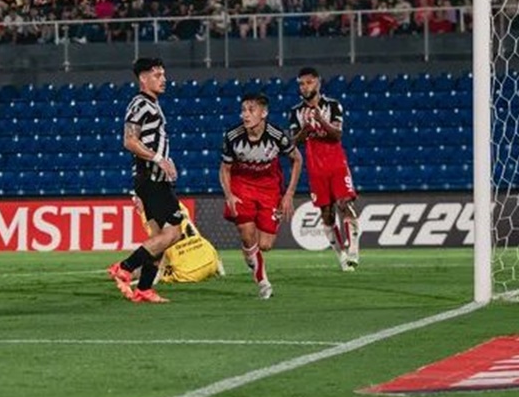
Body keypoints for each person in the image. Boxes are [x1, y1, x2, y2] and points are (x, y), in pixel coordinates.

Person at [107, 58, 184, 303]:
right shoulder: (140, 104)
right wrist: (160, 159)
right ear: (143, 78)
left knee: (158, 237)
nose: (163, 79)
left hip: (151, 179)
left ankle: (144, 289)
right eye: (157, 75)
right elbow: (129, 140)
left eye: (163, 74)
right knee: (174, 233)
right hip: (152, 179)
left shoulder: (152, 104)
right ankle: (125, 267)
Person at [220, 92, 303, 299]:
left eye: (251, 110)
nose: (245, 115)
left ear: (263, 113)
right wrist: (229, 194)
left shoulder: (277, 136)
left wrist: (289, 194)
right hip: (242, 185)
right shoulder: (233, 136)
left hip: (269, 188)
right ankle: (263, 283)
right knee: (247, 234)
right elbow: (225, 169)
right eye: (243, 110)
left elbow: (297, 159)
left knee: (264, 245)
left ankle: (250, 253)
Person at [290, 67, 360, 271]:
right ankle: (342, 257)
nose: (305, 87)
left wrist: (321, 121)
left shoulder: (333, 106)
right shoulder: (296, 112)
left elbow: (338, 135)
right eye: (302, 84)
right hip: (315, 167)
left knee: (344, 203)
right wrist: (306, 129)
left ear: (318, 83)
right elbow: (293, 142)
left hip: (337, 163)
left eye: (309, 82)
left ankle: (354, 250)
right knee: (327, 214)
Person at [132, 198, 225, 285]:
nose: (134, 202)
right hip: (211, 263)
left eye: (136, 198)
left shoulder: (149, 216)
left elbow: (159, 250)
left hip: (188, 273)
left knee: (138, 269)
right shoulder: (177, 203)